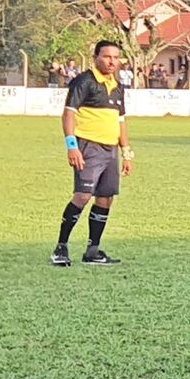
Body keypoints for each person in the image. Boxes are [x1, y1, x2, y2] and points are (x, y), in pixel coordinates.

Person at [53, 41, 135, 267]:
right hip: (88, 146)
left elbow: (121, 121)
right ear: (96, 57)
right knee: (82, 196)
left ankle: (93, 251)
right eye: (107, 57)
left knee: (106, 198)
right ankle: (61, 247)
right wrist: (72, 145)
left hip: (110, 150)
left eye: (116, 58)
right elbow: (69, 114)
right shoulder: (84, 82)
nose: (112, 62)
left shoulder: (118, 85)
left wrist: (126, 152)